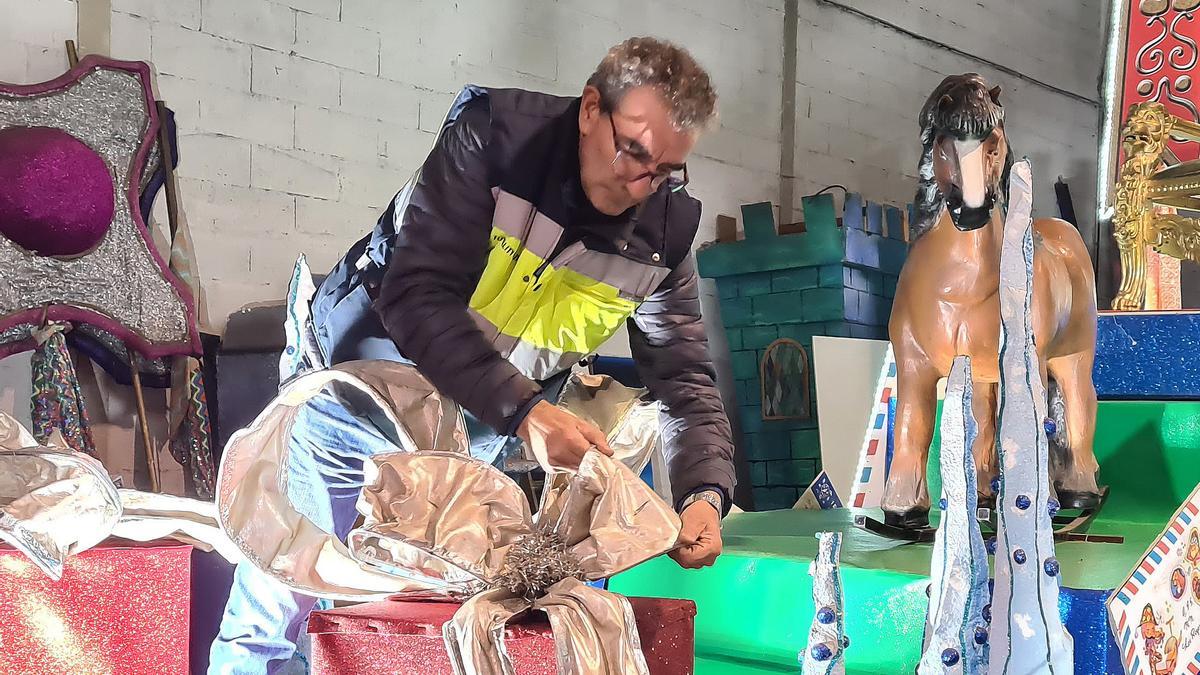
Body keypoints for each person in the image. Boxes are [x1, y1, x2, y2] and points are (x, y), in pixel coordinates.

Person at [209, 36, 736, 673]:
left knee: (406, 611)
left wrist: (704, 493)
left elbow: (683, 378)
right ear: (591, 109)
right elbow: (417, 296)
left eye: (664, 172)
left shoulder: (663, 237)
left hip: (475, 421)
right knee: (291, 581)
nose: (640, 184)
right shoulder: (494, 142)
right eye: (632, 152)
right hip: (356, 393)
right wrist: (528, 416)